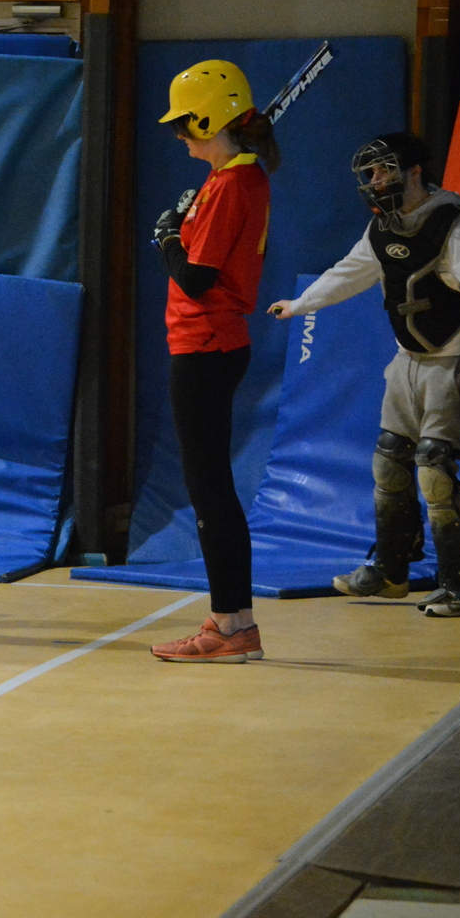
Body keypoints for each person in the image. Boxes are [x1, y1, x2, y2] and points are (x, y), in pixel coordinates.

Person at [269, 132, 460, 617]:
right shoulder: (381, 228)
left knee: (435, 469)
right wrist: (301, 304)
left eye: (384, 170)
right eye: (370, 173)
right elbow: (348, 272)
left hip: (450, 359)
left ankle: (459, 587)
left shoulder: (447, 222)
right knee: (390, 458)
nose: (375, 181)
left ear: (414, 172)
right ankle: (391, 572)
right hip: (405, 359)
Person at [147, 60, 279, 664]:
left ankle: (230, 626)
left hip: (205, 344)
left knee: (209, 490)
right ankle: (234, 621)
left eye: (185, 123)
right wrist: (180, 229)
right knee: (210, 487)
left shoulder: (232, 184)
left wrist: (168, 238)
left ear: (208, 120)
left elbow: (197, 279)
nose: (179, 134)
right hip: (206, 344)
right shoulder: (227, 179)